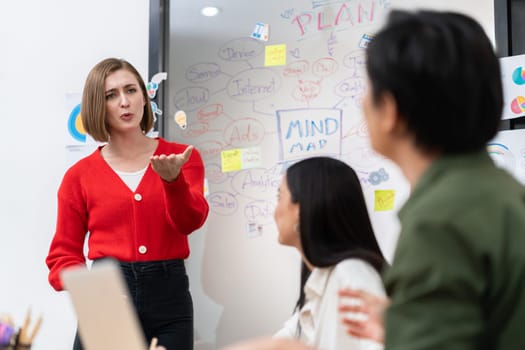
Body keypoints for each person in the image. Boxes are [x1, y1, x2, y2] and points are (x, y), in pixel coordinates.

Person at [340, 9, 525, 350]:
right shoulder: (504, 193)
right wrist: (406, 323)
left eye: (368, 88)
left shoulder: (439, 219)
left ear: (391, 109)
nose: (361, 102)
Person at [46, 58, 209, 350]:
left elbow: (190, 222)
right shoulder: (78, 177)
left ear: (144, 99)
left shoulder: (183, 158)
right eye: (111, 95)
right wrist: (92, 291)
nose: (125, 102)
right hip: (108, 295)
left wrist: (173, 183)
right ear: (98, 106)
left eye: (131, 90)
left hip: (169, 302)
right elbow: (62, 256)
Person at [271, 156, 387, 350]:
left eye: (279, 197)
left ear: (302, 208)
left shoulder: (349, 275)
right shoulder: (321, 280)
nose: (275, 211)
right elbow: (281, 342)